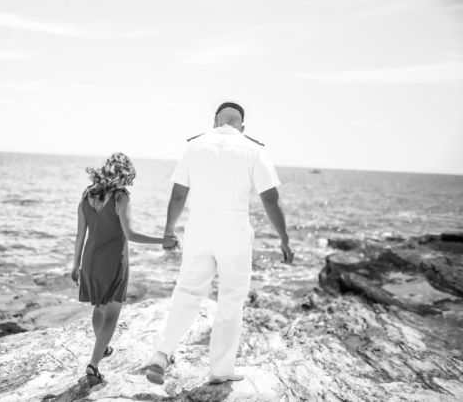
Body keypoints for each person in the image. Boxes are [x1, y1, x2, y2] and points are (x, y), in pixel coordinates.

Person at [147, 101, 295, 385]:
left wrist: (168, 230)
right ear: (242, 126)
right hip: (234, 231)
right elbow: (270, 198)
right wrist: (284, 238)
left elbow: (178, 195)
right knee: (231, 299)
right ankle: (221, 369)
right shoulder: (253, 149)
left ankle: (161, 353)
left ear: (214, 122)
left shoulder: (194, 145)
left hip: (199, 228)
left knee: (187, 292)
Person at [70, 152, 175, 383]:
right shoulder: (120, 197)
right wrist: (163, 240)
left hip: (89, 260)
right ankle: (93, 365)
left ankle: (101, 347)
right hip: (113, 261)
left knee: (99, 309)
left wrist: (76, 265)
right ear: (126, 174)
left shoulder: (87, 196)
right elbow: (131, 234)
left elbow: (80, 235)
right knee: (111, 315)